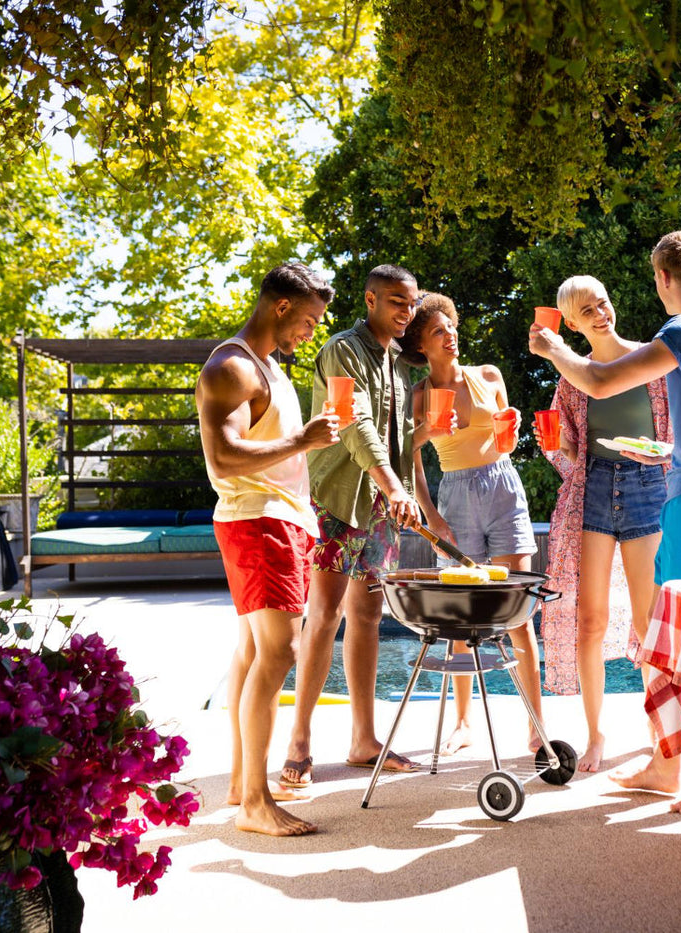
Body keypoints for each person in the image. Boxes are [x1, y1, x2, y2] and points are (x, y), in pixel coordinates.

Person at [528, 230, 681, 814]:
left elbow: (603, 381)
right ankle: (666, 765)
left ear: (661, 279)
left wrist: (553, 348)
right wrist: (672, 454)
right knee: (667, 638)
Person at [279, 264, 448, 788]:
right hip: (336, 501)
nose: (407, 312)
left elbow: (398, 439)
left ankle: (363, 740)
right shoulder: (339, 350)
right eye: (397, 301)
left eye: (412, 303)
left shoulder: (400, 364)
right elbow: (353, 422)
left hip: (380, 508)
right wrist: (392, 486)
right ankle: (300, 741)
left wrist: (420, 444)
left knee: (369, 616)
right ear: (371, 301)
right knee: (324, 615)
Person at [196, 261, 341, 836]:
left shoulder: (268, 367)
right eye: (308, 320)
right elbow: (222, 457)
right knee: (278, 654)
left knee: (253, 654)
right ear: (281, 308)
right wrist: (302, 438)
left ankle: (240, 782)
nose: (311, 331)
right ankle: (256, 802)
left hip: (281, 521)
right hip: (259, 523)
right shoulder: (231, 367)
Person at [399, 293, 545, 755]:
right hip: (455, 498)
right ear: (421, 344)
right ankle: (462, 723)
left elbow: (503, 442)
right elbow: (410, 459)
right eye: (439, 331)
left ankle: (535, 723)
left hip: (502, 488)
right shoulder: (419, 395)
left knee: (519, 611)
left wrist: (514, 427)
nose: (451, 336)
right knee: (461, 620)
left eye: (452, 327)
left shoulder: (488, 376)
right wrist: (433, 517)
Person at [539, 275, 671, 773]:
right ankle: (596, 736)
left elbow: (675, 430)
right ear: (570, 324)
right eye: (587, 310)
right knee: (588, 623)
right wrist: (561, 449)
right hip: (593, 490)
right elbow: (562, 447)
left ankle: (660, 731)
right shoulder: (572, 374)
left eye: (604, 303)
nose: (601, 313)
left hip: (646, 487)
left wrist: (664, 462)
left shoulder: (649, 359)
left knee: (648, 623)